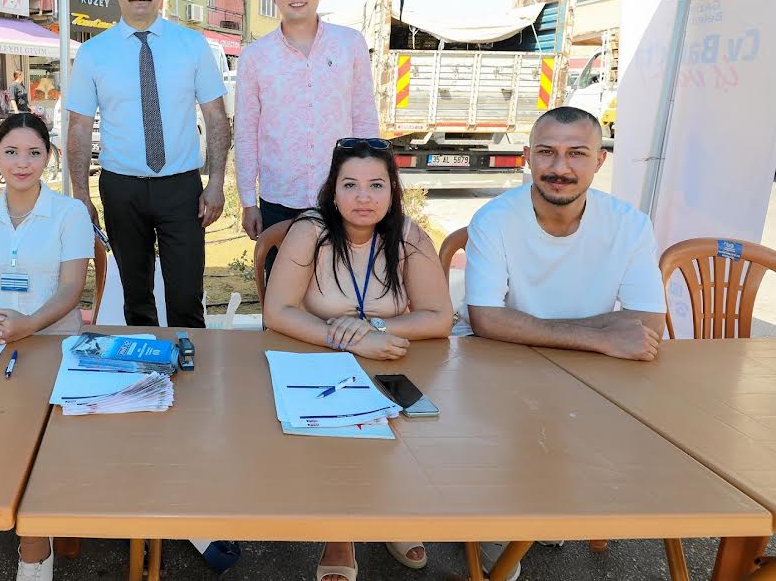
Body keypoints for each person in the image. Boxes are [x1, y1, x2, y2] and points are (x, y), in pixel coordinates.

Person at [464, 105, 666, 581]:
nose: (560, 167)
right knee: (492, 432)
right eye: (547, 152)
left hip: (590, 372)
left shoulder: (630, 223)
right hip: (503, 364)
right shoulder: (494, 219)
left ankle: (547, 507)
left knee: (614, 440)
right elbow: (486, 319)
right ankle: (498, 524)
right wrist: (601, 333)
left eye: (577, 153)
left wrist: (531, 326)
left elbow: (647, 322)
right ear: (527, 157)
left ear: (599, 160)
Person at [263, 137, 453, 580]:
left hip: (388, 359)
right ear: (333, 190)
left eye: (376, 185)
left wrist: (374, 330)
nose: (363, 197)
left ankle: (391, 511)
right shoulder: (310, 230)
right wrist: (346, 341)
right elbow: (278, 311)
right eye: (350, 184)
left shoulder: (408, 235)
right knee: (340, 433)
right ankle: (341, 530)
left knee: (418, 425)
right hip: (316, 358)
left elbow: (439, 316)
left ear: (392, 190)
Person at [0, 112, 92, 581]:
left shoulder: (70, 214)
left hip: (55, 346)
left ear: (48, 157)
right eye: (11, 152)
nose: (22, 163)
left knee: (40, 441)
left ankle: (35, 542)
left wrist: (27, 325)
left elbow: (71, 290)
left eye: (34, 153)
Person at [66, 0, 230, 328]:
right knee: (136, 299)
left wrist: (216, 183)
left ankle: (190, 364)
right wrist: (80, 195)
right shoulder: (92, 53)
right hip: (121, 189)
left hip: (182, 190)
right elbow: (78, 127)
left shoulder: (192, 45)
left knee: (186, 297)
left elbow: (217, 118)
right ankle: (146, 364)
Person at [235, 0, 379, 272]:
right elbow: (245, 131)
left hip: (341, 197)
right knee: (281, 292)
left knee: (341, 289)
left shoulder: (350, 44)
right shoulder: (255, 56)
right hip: (278, 201)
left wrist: (370, 187)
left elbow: (364, 118)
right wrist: (247, 201)